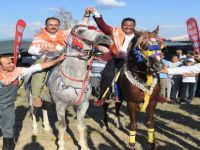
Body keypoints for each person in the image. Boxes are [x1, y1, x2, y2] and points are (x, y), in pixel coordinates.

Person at [0, 48, 66, 150]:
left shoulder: (18, 72)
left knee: (8, 130)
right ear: (1, 66)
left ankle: (8, 147)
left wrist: (57, 60)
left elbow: (38, 67)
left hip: (8, 107)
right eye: (8, 64)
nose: (12, 65)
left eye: (12, 62)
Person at [28, 14, 90, 107]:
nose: (53, 27)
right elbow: (30, 50)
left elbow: (79, 27)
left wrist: (86, 15)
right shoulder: (39, 37)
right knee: (39, 72)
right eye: (50, 25)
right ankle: (36, 96)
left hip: (64, 58)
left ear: (58, 26)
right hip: (46, 59)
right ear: (46, 26)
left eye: (56, 25)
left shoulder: (65, 33)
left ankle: (87, 91)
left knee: (82, 68)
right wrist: (44, 49)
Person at [85, 7, 138, 106]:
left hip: (133, 60)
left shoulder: (139, 36)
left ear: (134, 26)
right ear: (122, 26)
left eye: (131, 25)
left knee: (150, 72)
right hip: (116, 59)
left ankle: (154, 94)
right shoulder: (115, 32)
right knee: (106, 75)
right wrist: (96, 13)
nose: (128, 27)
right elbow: (103, 26)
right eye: (125, 25)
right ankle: (102, 97)